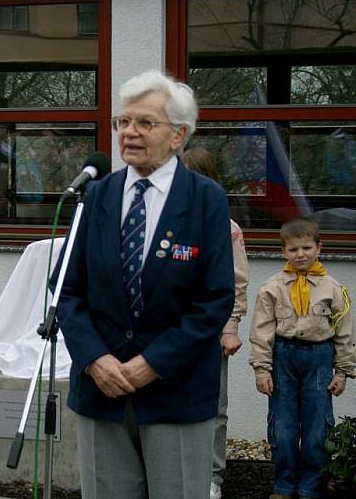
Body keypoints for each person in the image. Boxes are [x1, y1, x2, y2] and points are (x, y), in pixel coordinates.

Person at [56, 69, 235, 499]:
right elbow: (65, 290)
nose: (129, 133)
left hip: (175, 392)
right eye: (123, 122)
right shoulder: (96, 196)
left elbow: (214, 301)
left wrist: (149, 364)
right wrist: (95, 359)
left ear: (179, 135)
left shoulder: (205, 199)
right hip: (102, 391)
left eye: (145, 123)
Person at [249, 217, 355, 499]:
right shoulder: (271, 288)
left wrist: (342, 372)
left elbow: (345, 333)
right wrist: (262, 369)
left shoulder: (334, 289)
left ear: (319, 248)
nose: (301, 254)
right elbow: (261, 331)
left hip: (320, 358)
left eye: (307, 248)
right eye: (293, 249)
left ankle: (311, 485)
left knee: (317, 426)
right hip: (283, 356)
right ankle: (284, 484)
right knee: (282, 425)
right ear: (284, 251)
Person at [183, 146, 250, 499]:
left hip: (211, 331)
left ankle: (211, 477)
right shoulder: (171, 220)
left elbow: (237, 282)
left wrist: (231, 328)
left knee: (214, 408)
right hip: (173, 332)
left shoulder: (227, 227)